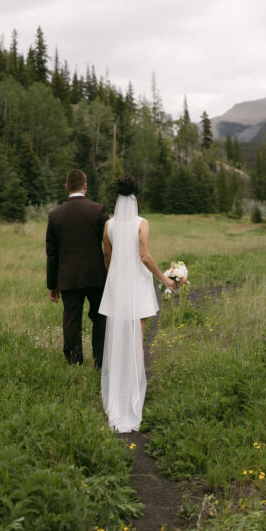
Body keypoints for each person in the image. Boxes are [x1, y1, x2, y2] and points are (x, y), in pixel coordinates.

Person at [99, 173, 174, 433]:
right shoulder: (142, 223)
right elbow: (144, 256)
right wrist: (165, 279)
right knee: (136, 341)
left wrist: (115, 279)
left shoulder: (108, 225)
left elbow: (107, 258)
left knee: (118, 342)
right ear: (136, 197)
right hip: (138, 287)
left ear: (117, 198)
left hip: (116, 287)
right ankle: (134, 395)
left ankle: (118, 394)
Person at [46, 169, 109, 367]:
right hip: (96, 275)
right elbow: (109, 244)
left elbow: (52, 253)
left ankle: (74, 362)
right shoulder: (98, 210)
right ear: (85, 186)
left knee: (71, 318)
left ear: (66, 187)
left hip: (68, 276)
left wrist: (52, 284)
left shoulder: (55, 215)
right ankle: (100, 362)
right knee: (100, 317)